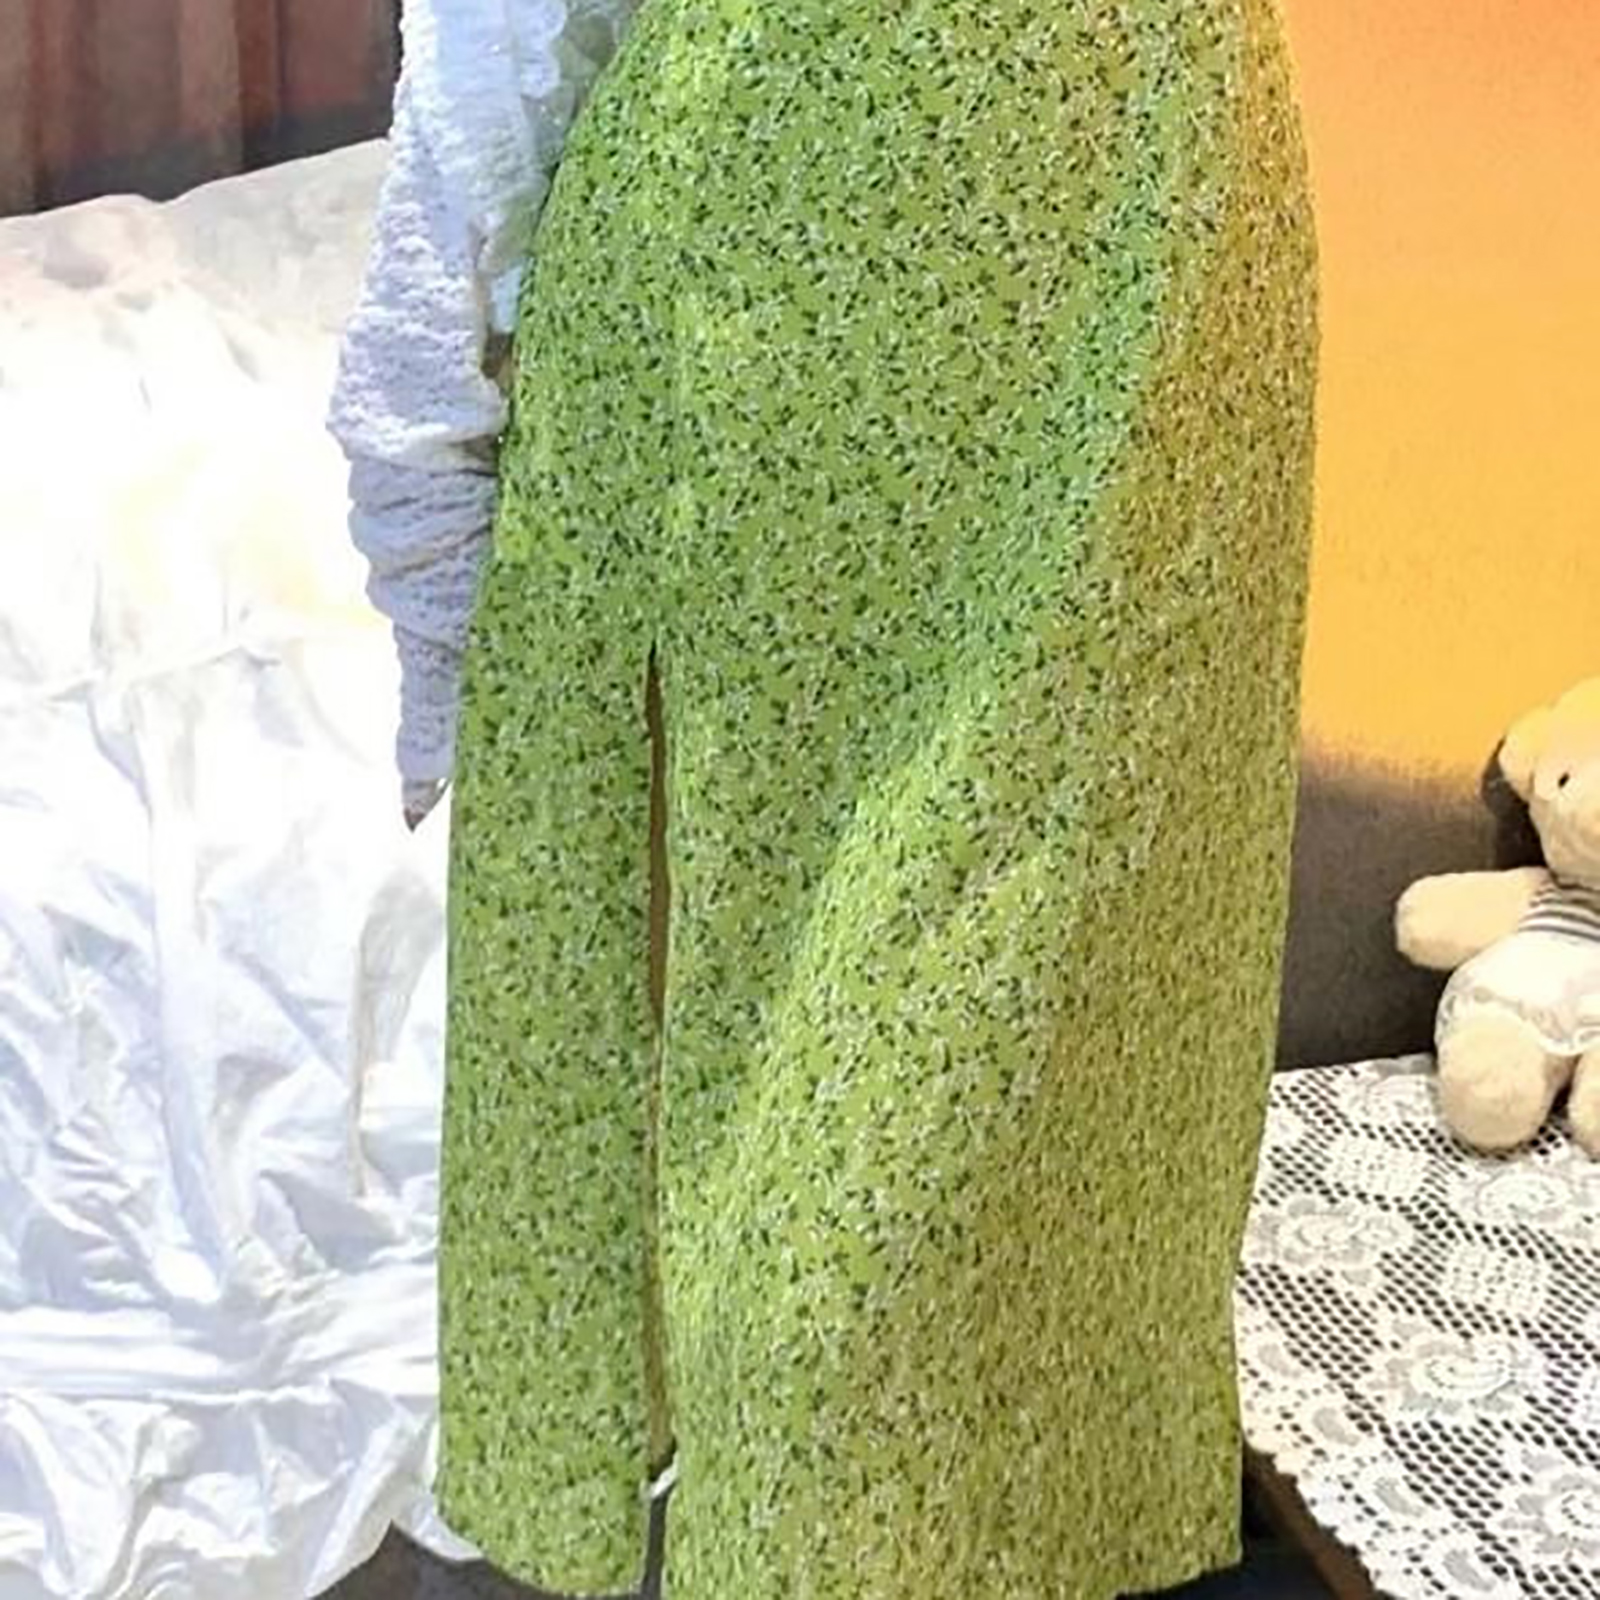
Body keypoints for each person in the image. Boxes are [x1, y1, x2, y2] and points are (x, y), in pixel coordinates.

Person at [329, 1, 1318, 1596]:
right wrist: (427, 460)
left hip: (1140, 306)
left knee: (1020, 1149)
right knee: (803, 1283)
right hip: (744, 362)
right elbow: (499, 38)